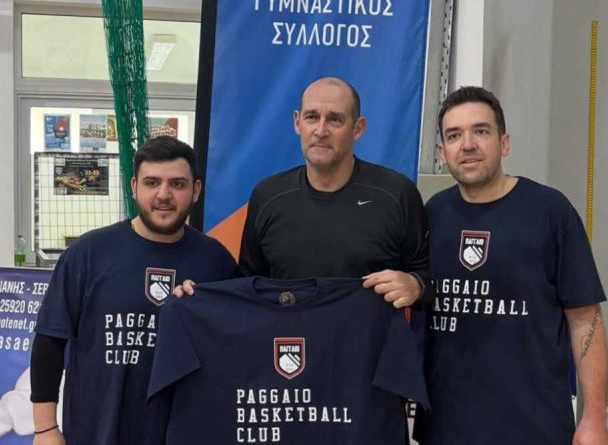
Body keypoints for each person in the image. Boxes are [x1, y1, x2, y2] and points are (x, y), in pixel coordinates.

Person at [417, 87, 608, 444]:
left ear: (504, 143)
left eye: (481, 131)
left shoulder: (550, 212)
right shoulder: (431, 216)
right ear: (442, 153)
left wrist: (594, 418)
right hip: (447, 429)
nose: (468, 144)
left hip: (533, 428)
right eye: (454, 136)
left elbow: (586, 320)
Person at [29, 136, 237, 445]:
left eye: (177, 184)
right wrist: (45, 429)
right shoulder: (88, 254)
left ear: (195, 190)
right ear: (134, 187)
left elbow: (232, 354)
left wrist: (200, 312)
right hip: (96, 433)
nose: (163, 195)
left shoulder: (216, 262)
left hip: (184, 434)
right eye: (152, 183)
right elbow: (49, 341)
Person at [180, 76, 429, 308]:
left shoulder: (396, 194)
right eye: (312, 117)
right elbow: (248, 290)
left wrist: (416, 285)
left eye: (335, 119)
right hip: (285, 341)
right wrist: (197, 295)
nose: (321, 131)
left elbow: (428, 279)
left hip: (370, 342)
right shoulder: (267, 196)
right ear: (297, 122)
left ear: (358, 128)